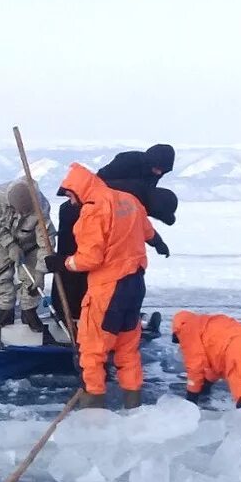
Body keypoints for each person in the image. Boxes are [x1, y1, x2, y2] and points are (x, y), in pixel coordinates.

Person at [45, 163, 162, 409]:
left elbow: (90, 259)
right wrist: (157, 242)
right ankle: (134, 407)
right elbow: (147, 230)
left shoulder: (94, 210)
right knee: (127, 348)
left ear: (79, 189)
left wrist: (62, 262)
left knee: (92, 350)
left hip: (108, 289)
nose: (70, 201)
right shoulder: (127, 199)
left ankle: (93, 411)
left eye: (69, 194)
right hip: (134, 285)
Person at [53, 144, 176, 323]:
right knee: (78, 265)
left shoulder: (141, 190)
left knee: (97, 266)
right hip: (79, 212)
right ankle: (70, 313)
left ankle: (94, 311)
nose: (158, 173)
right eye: (156, 168)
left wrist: (156, 241)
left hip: (104, 216)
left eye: (163, 171)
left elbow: (139, 219)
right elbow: (96, 186)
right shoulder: (128, 164)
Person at [0, 178, 53, 331]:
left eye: (24, 212)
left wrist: (41, 271)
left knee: (32, 276)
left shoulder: (41, 206)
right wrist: (10, 244)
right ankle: (5, 310)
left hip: (30, 240)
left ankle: (29, 312)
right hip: (2, 238)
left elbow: (46, 240)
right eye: (17, 210)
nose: (20, 214)